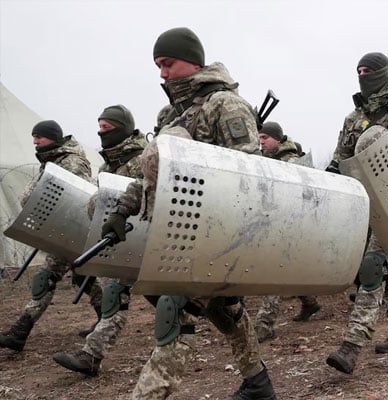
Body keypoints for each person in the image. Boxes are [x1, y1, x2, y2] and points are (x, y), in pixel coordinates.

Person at [100, 27, 275, 399]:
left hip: (214, 232)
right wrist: (122, 209)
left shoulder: (225, 105)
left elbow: (250, 176)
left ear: (193, 61)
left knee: (172, 308)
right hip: (176, 228)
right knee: (223, 311)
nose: (162, 73)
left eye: (168, 63)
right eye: (157, 66)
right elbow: (153, 176)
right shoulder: (171, 113)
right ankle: (258, 383)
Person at [325, 52, 388, 374]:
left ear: (384, 74)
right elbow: (340, 159)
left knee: (372, 266)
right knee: (387, 274)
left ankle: (352, 344)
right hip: (360, 205)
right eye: (358, 71)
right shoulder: (352, 119)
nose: (362, 75)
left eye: (368, 71)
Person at [52, 105, 147, 376]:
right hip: (121, 243)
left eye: (108, 128)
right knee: (117, 295)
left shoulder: (142, 159)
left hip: (147, 241)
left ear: (124, 128)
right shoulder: (107, 165)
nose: (101, 132)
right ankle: (91, 356)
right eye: (100, 127)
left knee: (179, 303)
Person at [0, 120, 94, 352]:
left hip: (71, 230)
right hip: (58, 229)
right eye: (34, 137)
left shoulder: (71, 162)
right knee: (82, 277)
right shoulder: (51, 160)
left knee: (47, 277)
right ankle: (106, 318)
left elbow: (78, 198)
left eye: (39, 137)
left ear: (53, 137)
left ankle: (20, 332)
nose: (35, 141)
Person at [254, 121, 321, 342]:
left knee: (272, 274)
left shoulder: (291, 162)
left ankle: (264, 324)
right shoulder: (266, 161)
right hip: (273, 223)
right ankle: (310, 303)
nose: (261, 142)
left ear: (277, 139)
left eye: (265, 138)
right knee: (290, 271)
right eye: (259, 138)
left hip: (291, 226)